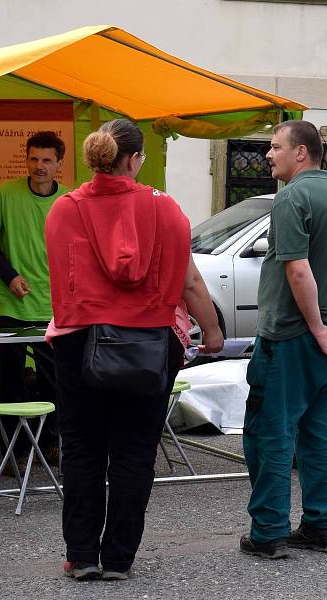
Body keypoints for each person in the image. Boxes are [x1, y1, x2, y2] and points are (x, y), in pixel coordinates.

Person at [45, 119, 223, 581]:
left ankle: (81, 554)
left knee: (82, 449)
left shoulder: (63, 209)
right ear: (135, 159)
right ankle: (119, 558)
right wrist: (212, 330)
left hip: (78, 339)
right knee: (135, 451)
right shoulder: (165, 209)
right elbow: (189, 280)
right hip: (149, 339)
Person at [240, 120, 327, 560]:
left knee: (271, 434)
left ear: (301, 153)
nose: (267, 155)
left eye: (275, 147)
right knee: (320, 433)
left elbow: (297, 269)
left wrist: (315, 327)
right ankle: (322, 525)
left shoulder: (292, 197)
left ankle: (269, 531)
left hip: (293, 336)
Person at [0, 132, 69, 461]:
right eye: (33, 159)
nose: (39, 166)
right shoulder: (6, 194)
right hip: (13, 305)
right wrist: (10, 276)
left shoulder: (69, 201)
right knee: (12, 380)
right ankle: (12, 449)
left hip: (56, 307)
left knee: (56, 379)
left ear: (59, 163)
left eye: (46, 160)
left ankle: (53, 445)